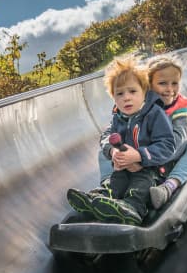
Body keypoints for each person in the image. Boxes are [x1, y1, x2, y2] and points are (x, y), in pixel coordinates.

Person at [66, 54, 175, 225]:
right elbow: (107, 138)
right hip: (124, 168)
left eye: (132, 91)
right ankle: (101, 199)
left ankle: (133, 207)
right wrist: (114, 152)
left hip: (151, 169)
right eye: (120, 94)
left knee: (140, 185)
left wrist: (139, 156)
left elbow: (167, 145)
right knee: (116, 181)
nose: (126, 97)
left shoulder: (155, 114)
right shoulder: (119, 117)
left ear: (144, 92)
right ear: (114, 98)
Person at [94, 54, 187, 210]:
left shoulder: (178, 110)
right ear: (147, 86)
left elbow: (174, 144)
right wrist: (116, 151)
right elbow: (109, 134)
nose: (170, 89)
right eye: (162, 83)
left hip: (166, 160)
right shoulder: (134, 106)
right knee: (103, 152)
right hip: (135, 158)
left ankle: (169, 186)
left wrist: (140, 158)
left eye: (175, 83)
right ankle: (108, 186)